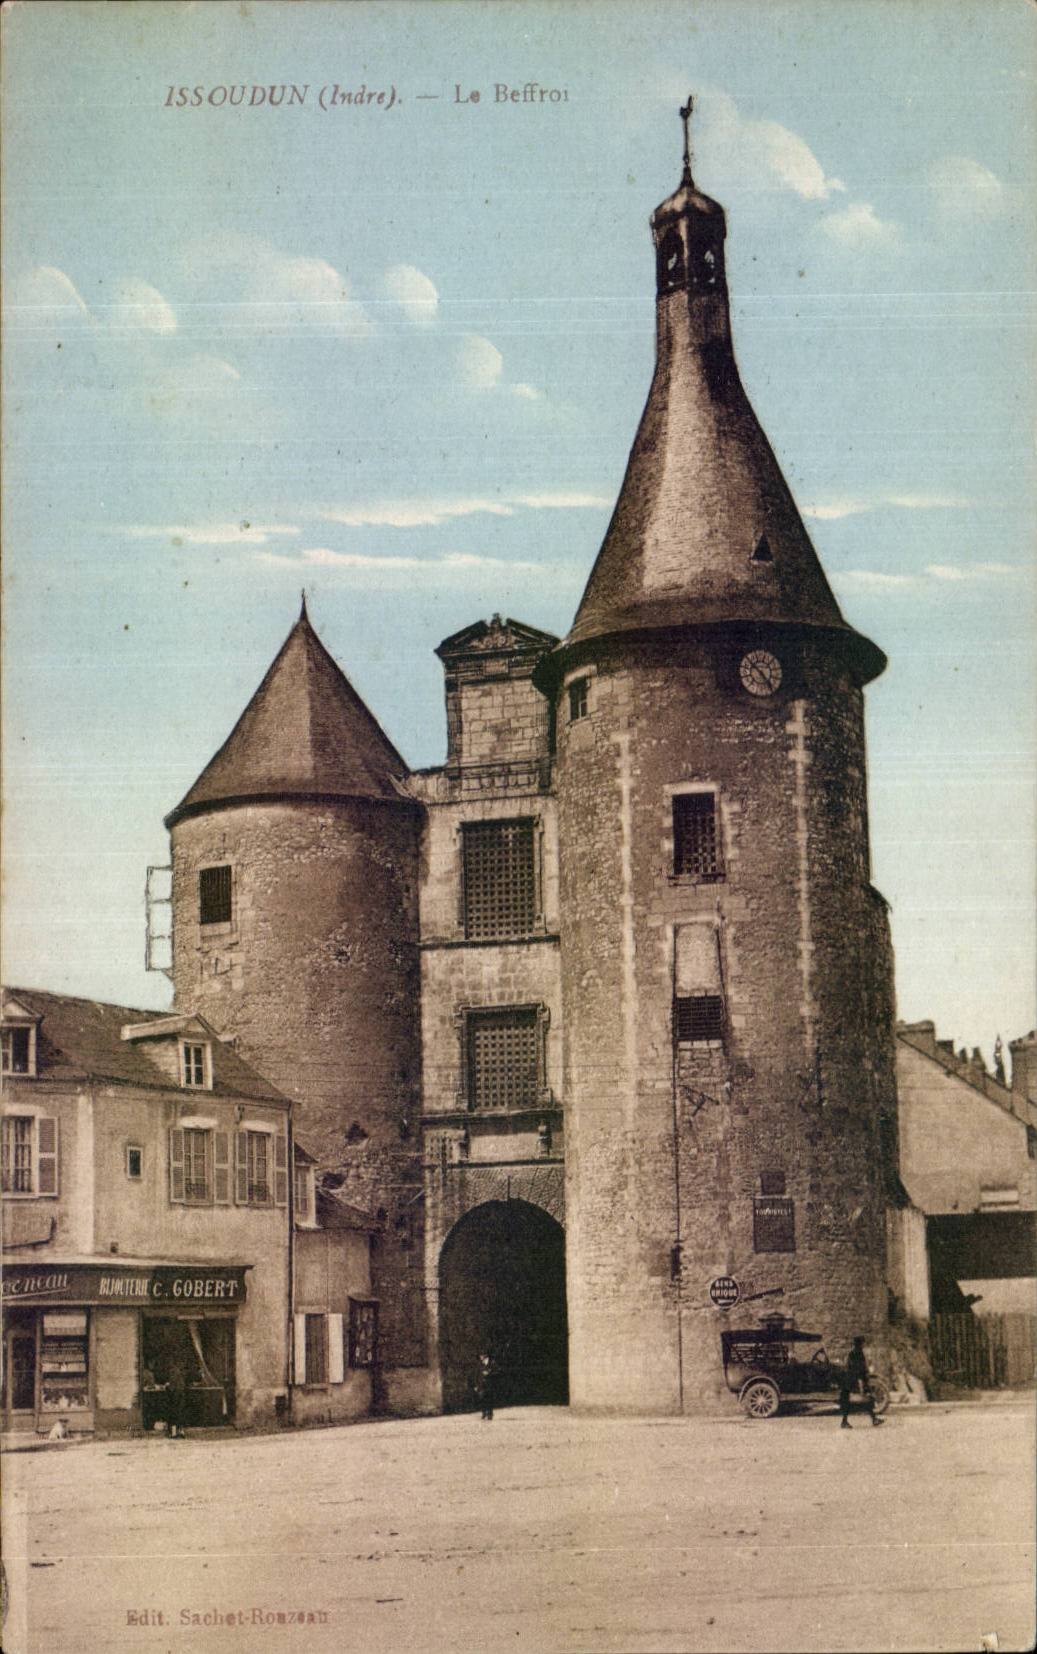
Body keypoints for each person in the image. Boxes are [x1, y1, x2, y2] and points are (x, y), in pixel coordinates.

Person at [839, 1335, 882, 1428]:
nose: (863, 1345)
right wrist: (863, 1381)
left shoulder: (854, 1353)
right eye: (862, 1343)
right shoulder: (856, 1353)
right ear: (860, 1344)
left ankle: (874, 1419)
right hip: (852, 1381)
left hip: (850, 1380)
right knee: (858, 1400)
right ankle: (844, 1422)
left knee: (864, 1400)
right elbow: (859, 1369)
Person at [475, 1351, 498, 1421]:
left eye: (482, 1355)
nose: (480, 1357)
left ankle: (490, 1414)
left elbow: (497, 1372)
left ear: (485, 1356)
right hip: (481, 1385)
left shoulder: (492, 1363)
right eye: (480, 1356)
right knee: (482, 1399)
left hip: (490, 1384)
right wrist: (476, 1385)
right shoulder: (479, 1364)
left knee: (489, 1399)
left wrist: (489, 1373)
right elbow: (476, 1375)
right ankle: (484, 1413)